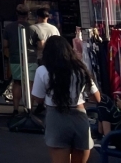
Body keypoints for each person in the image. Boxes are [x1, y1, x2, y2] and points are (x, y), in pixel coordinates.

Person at [31, 35, 100, 163]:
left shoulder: (43, 70)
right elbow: (96, 97)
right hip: (80, 118)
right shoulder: (80, 69)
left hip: (56, 118)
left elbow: (38, 98)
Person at [3, 5, 34, 115]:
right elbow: (39, 44)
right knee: (30, 83)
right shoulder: (32, 28)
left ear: (17, 14)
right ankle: (29, 108)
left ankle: (15, 108)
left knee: (17, 82)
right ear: (27, 15)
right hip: (31, 59)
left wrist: (9, 55)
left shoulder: (9, 28)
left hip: (15, 58)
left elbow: (5, 45)